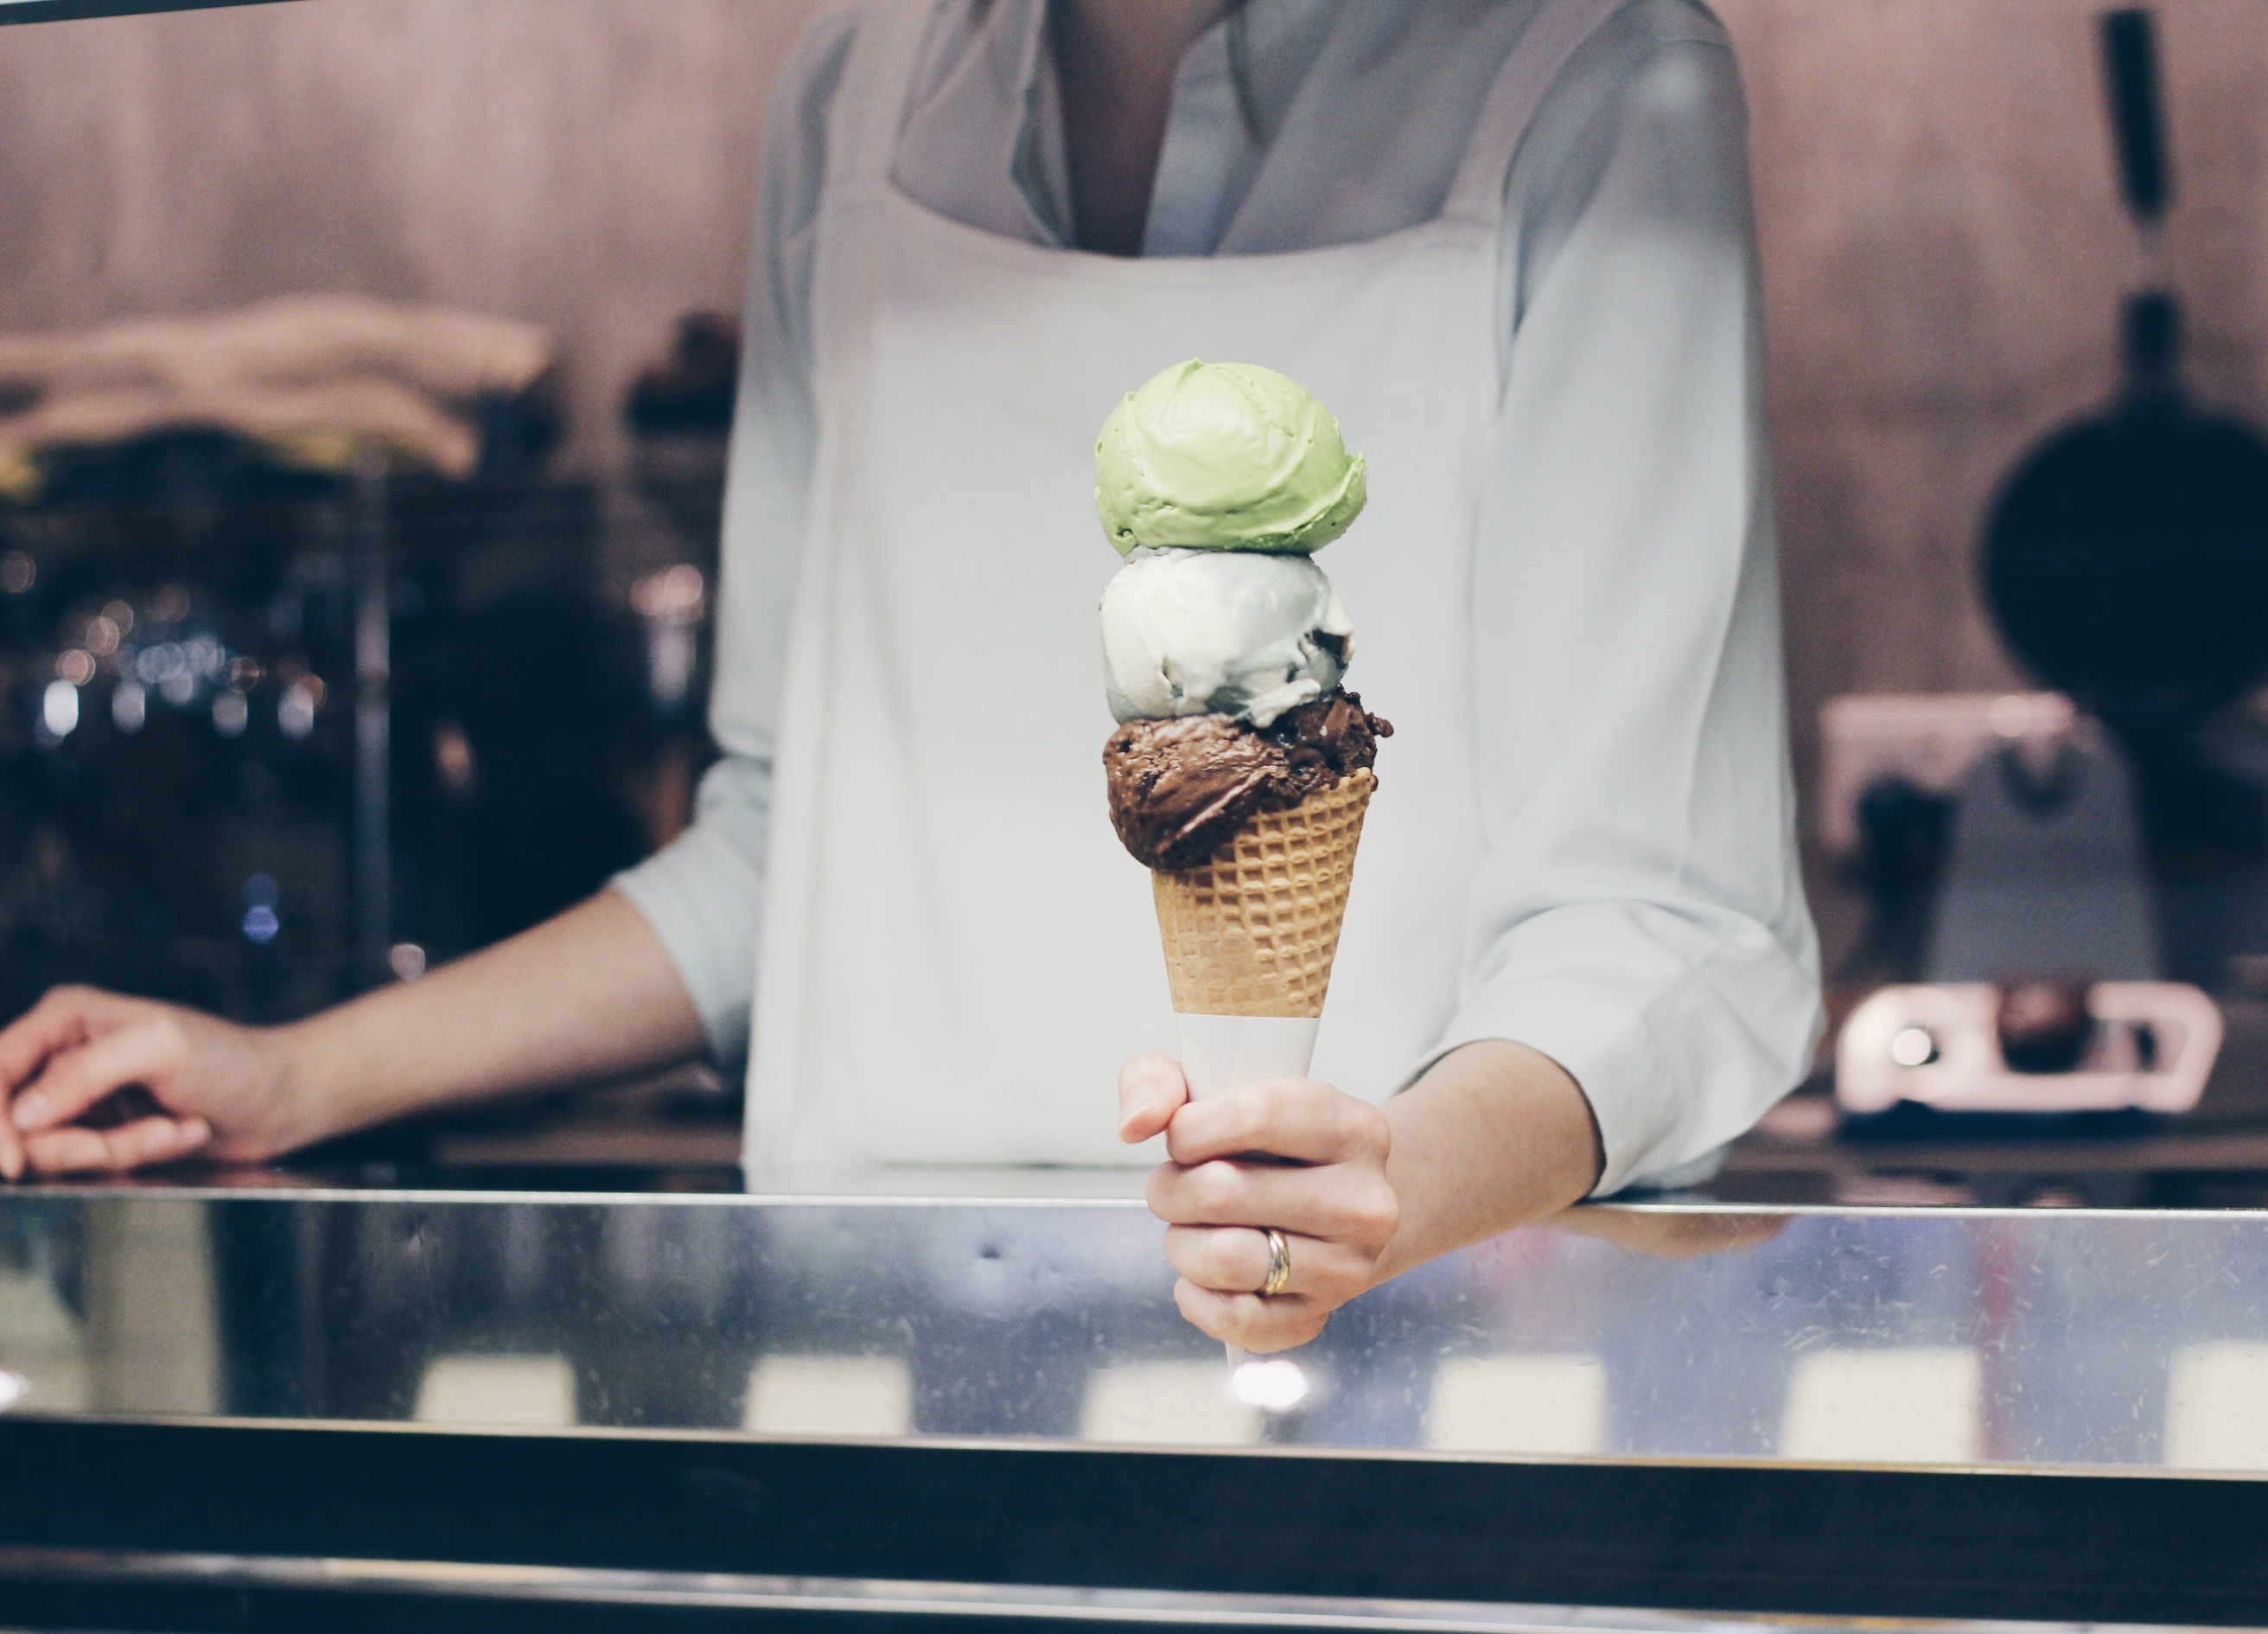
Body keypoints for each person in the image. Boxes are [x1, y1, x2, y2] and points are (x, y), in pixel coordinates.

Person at [0, 0, 1820, 1354]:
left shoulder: (1592, 67)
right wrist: (290, 1079)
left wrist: (1379, 1192)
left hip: (1409, 1360)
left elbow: (1654, 931)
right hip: (863, 1376)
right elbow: (781, 853)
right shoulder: (855, 88)